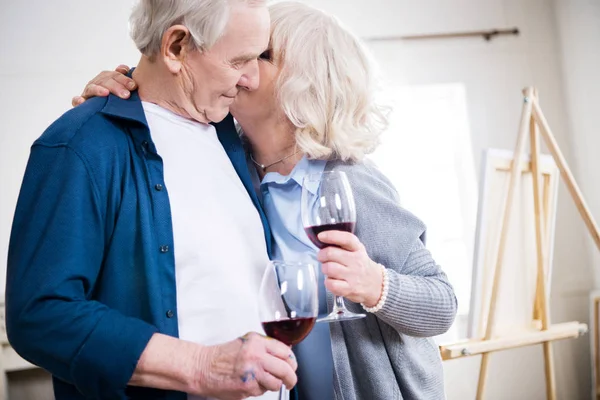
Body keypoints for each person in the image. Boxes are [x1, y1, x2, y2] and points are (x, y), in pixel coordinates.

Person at [76, 2, 458, 399]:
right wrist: (124, 90)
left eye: (260, 55)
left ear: (306, 82)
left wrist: (375, 284)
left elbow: (442, 304)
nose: (239, 64)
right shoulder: (228, 164)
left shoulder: (349, 183)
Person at [6, 1, 298, 400]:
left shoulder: (229, 130)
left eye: (259, 57)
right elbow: (40, 314)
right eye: (239, 60)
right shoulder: (80, 145)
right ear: (176, 47)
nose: (250, 78)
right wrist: (200, 366)